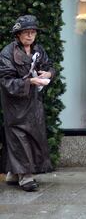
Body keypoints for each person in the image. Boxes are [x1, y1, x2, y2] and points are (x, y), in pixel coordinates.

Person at [0, 15, 55, 192]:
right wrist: (28, 82)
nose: (30, 36)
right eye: (26, 32)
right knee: (19, 137)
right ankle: (25, 176)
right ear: (18, 34)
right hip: (15, 105)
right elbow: (6, 80)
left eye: (33, 32)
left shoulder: (38, 50)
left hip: (34, 103)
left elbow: (49, 66)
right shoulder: (7, 53)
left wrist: (48, 74)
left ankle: (14, 172)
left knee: (33, 137)